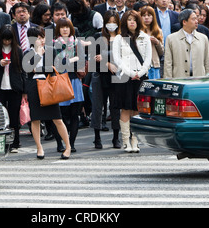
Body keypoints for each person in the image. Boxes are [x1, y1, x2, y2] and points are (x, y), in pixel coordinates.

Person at [23, 26, 72, 159]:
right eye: (38, 38)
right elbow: (29, 69)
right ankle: (39, 147)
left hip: (49, 85)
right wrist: (38, 55)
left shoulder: (50, 51)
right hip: (33, 86)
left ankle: (68, 146)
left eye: (42, 37)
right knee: (35, 119)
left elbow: (53, 69)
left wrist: (38, 69)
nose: (41, 40)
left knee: (57, 117)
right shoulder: (28, 52)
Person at [112, 10, 152, 153]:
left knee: (137, 109)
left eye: (134, 19)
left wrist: (139, 73)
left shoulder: (144, 37)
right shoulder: (119, 38)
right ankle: (125, 142)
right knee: (125, 109)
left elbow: (148, 59)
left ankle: (135, 142)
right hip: (124, 77)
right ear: (124, 22)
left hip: (140, 76)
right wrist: (130, 73)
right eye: (129, 19)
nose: (132, 22)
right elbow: (117, 59)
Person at [0, 24, 25, 152]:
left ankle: (15, 143)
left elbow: (23, 71)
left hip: (14, 88)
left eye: (9, 39)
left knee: (14, 117)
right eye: (4, 39)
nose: (7, 42)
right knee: (0, 117)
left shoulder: (17, 50)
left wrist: (24, 91)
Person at [90, 10, 122, 149]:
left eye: (114, 22)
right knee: (98, 106)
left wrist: (105, 58)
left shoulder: (122, 38)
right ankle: (97, 137)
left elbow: (123, 57)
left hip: (117, 75)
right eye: (109, 22)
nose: (111, 25)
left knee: (115, 107)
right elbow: (93, 58)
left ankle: (116, 137)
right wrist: (107, 63)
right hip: (99, 74)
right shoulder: (98, 36)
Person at [54, 18, 84, 153]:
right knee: (61, 115)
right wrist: (71, 60)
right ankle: (61, 142)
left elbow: (81, 63)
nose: (65, 29)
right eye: (62, 27)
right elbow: (56, 64)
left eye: (67, 27)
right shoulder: (54, 44)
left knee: (74, 115)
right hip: (59, 81)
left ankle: (71, 143)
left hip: (74, 81)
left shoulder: (77, 44)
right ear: (58, 29)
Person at [164, 8, 209, 78]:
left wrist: (207, 79)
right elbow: (168, 63)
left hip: (199, 79)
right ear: (184, 22)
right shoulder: (171, 39)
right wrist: (168, 81)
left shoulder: (203, 38)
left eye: (196, 18)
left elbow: (207, 63)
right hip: (179, 78)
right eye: (193, 19)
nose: (196, 21)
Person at [140, 6, 164, 79]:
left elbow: (162, 52)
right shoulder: (138, 31)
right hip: (142, 65)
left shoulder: (158, 31)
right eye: (144, 15)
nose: (146, 18)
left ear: (153, 17)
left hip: (154, 64)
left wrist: (156, 42)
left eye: (149, 15)